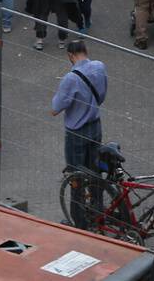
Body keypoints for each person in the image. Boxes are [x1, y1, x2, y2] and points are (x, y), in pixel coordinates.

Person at [51, 38, 108, 227]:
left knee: (76, 177)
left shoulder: (71, 78)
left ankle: (80, 221)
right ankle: (97, 211)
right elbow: (102, 95)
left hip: (77, 131)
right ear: (86, 50)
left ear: (70, 55)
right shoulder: (100, 67)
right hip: (95, 125)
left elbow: (55, 108)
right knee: (95, 171)